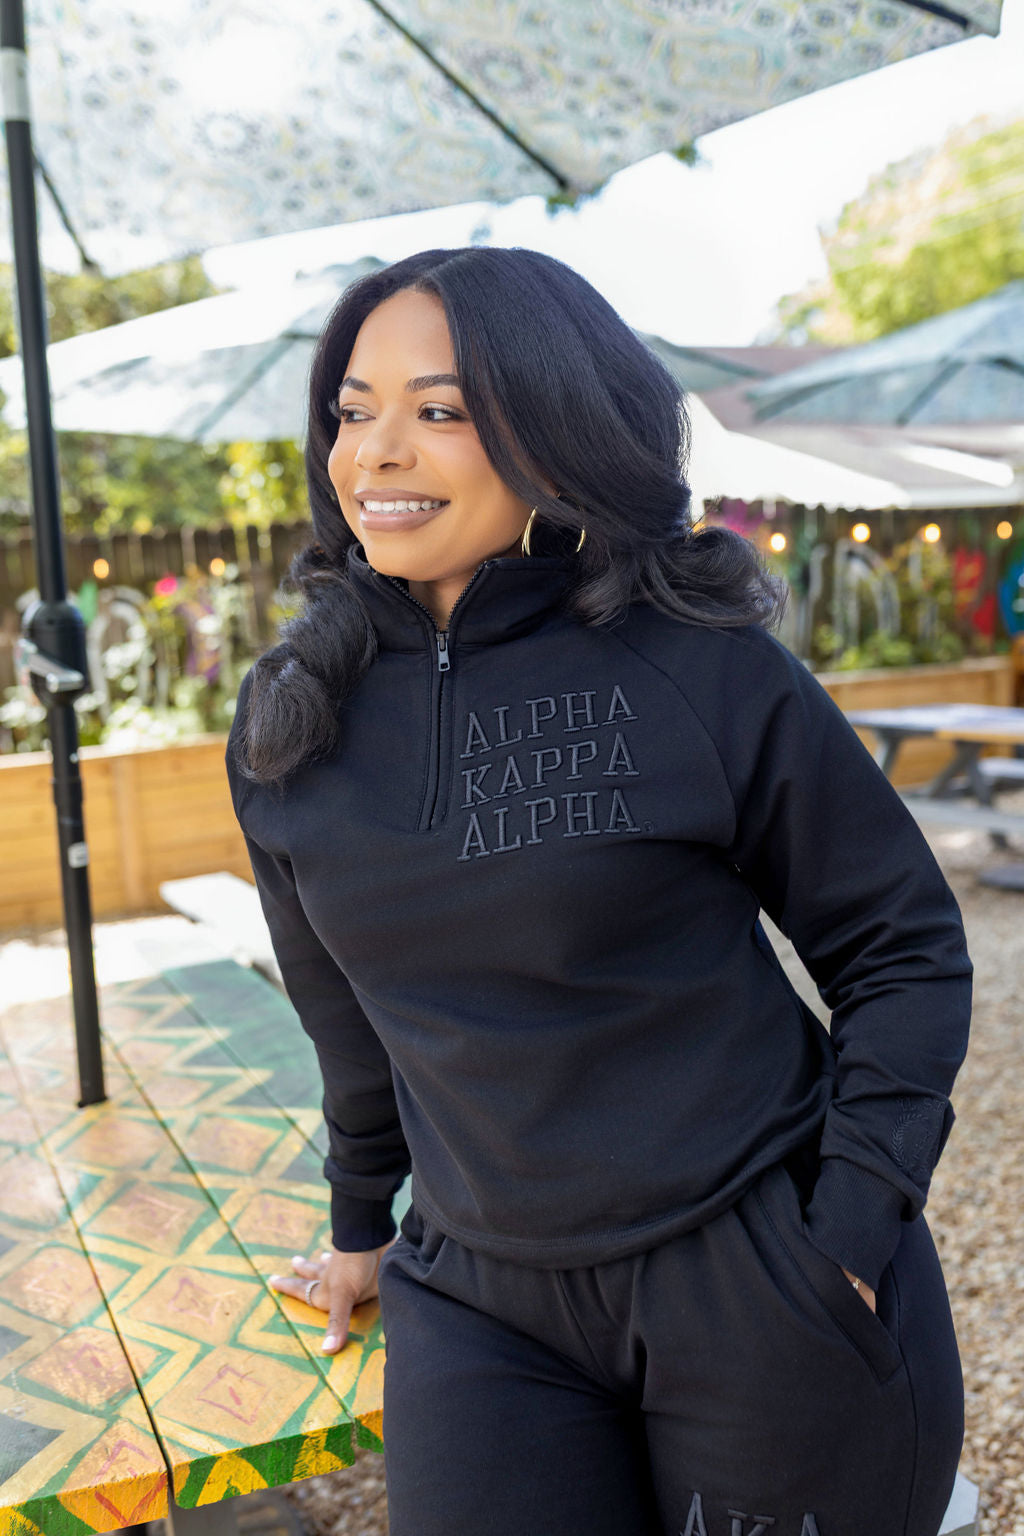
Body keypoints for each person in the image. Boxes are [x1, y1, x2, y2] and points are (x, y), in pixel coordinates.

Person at [225, 247, 972, 1536]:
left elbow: (899, 944)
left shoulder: (695, 661)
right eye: (354, 409)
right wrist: (362, 1223)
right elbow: (346, 1013)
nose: (376, 452)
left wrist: (846, 1228)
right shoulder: (295, 720)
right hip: (476, 1298)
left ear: (552, 428)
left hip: (756, 1272)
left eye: (440, 410)